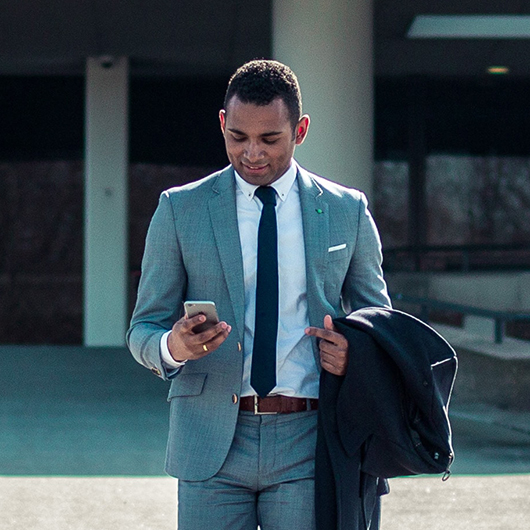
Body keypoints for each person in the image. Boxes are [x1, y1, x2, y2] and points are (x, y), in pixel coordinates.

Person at [127, 59, 391, 530]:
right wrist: (173, 346)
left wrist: (357, 353)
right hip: (209, 442)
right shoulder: (179, 209)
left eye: (269, 139)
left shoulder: (346, 211)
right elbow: (142, 327)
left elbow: (380, 321)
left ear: (300, 130)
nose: (252, 153)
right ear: (223, 124)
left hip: (310, 439)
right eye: (238, 138)